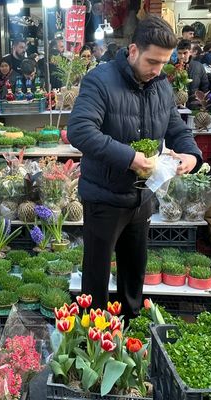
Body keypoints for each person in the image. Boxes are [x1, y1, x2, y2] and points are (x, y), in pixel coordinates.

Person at [67, 16, 202, 321]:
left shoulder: (161, 86)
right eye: (152, 61)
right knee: (96, 277)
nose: (157, 70)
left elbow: (176, 129)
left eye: (164, 63)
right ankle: (93, 338)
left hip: (142, 198)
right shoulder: (100, 81)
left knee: (134, 272)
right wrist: (130, 158)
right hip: (104, 196)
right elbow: (80, 130)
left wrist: (191, 155)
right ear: (132, 51)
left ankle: (131, 331)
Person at [176, 40, 209, 108]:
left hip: (194, 106)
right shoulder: (172, 68)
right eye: (179, 53)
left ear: (190, 52)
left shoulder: (199, 66)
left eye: (185, 53)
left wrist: (200, 103)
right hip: (175, 106)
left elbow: (205, 87)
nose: (182, 56)